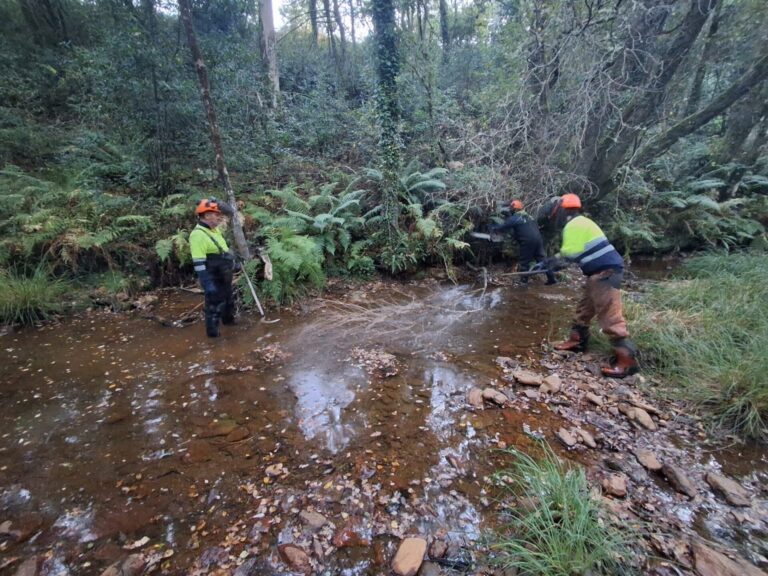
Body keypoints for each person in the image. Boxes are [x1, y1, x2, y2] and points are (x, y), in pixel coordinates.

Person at [544, 193, 639, 377]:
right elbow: (576, 250)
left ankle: (627, 363)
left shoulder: (573, 224)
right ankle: (577, 342)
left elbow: (570, 252)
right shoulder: (581, 222)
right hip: (598, 272)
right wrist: (552, 261)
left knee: (610, 317)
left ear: (562, 210)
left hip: (605, 272)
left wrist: (553, 261)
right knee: (584, 308)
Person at [190, 198, 237, 338]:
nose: (219, 217)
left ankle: (231, 329)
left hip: (224, 276)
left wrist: (234, 260)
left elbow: (222, 249)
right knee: (214, 308)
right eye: (216, 215)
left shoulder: (214, 230)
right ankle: (213, 341)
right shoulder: (197, 235)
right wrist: (207, 284)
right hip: (213, 277)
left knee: (229, 302)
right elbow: (199, 264)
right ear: (206, 216)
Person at [490, 199, 557, 285]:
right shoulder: (529, 216)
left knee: (524, 262)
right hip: (538, 240)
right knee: (542, 261)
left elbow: (504, 226)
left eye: (511, 209)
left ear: (514, 209)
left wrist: (492, 227)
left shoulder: (515, 218)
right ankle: (552, 279)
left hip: (527, 241)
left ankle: (523, 282)